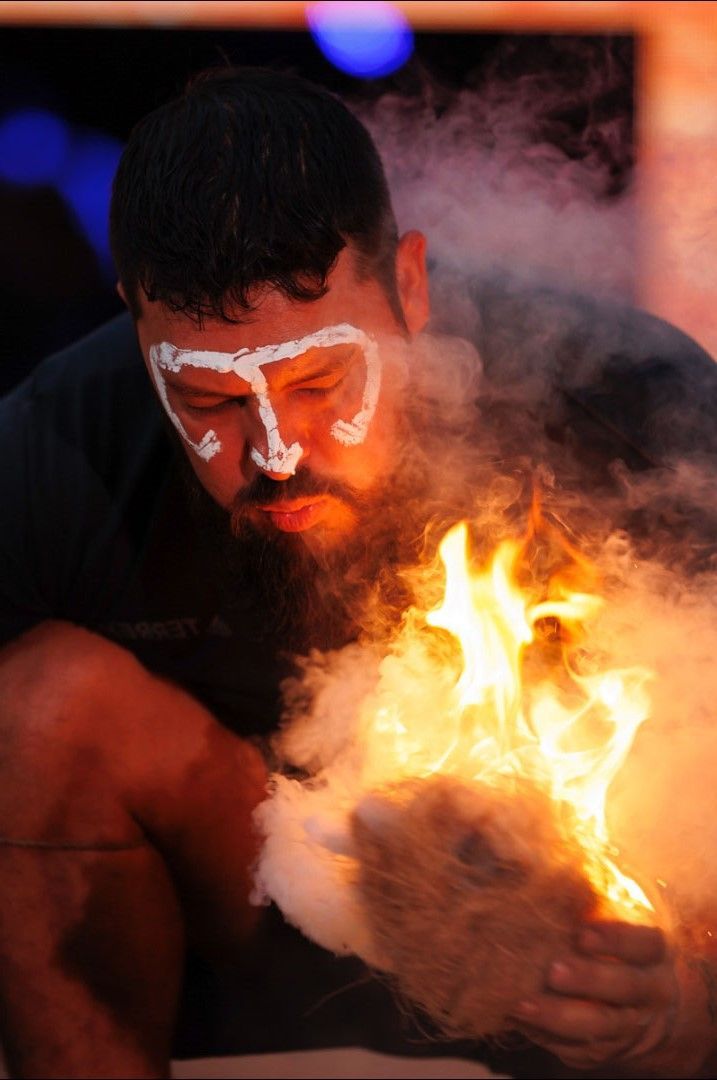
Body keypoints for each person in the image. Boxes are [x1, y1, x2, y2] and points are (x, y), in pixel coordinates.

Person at [0, 65, 716, 1080]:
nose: (276, 452)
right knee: (40, 707)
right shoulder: (63, 436)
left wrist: (682, 1005)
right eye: (210, 403)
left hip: (595, 956)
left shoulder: (629, 405)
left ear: (410, 285)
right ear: (136, 322)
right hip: (256, 938)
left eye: (319, 381)